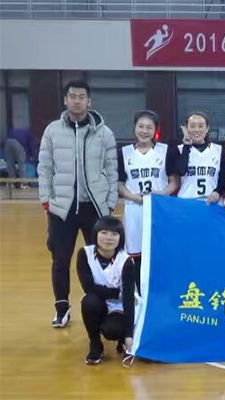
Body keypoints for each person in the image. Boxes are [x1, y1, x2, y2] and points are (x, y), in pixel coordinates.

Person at [38, 80, 118, 328]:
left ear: (89, 101)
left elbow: (112, 169)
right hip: (62, 208)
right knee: (60, 260)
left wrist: (110, 202)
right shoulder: (52, 131)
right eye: (72, 96)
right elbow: (45, 167)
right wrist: (46, 200)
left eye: (81, 96)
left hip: (94, 207)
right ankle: (62, 308)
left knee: (99, 259)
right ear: (65, 100)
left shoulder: (103, 133)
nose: (76, 100)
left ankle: (99, 305)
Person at [118, 110, 179, 290]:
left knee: (159, 254)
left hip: (158, 208)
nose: (144, 131)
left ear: (155, 130)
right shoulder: (124, 153)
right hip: (134, 209)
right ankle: (141, 295)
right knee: (137, 256)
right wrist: (134, 197)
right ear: (134, 128)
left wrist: (160, 194)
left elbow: (174, 182)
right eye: (141, 126)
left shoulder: (165, 151)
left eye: (149, 127)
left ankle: (160, 293)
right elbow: (119, 184)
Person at [76, 216, 136, 365]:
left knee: (112, 330)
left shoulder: (126, 261)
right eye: (104, 233)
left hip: (119, 306)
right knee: (88, 302)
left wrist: (129, 335)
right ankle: (95, 344)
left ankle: (121, 338)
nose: (109, 238)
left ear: (120, 238)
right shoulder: (84, 254)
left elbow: (128, 298)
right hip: (97, 301)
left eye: (114, 234)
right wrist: (116, 293)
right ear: (96, 233)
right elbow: (88, 287)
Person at [176, 111, 225, 204]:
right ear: (186, 128)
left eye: (200, 126)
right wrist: (186, 147)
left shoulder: (218, 150)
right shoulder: (179, 150)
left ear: (207, 128)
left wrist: (218, 191)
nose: (196, 130)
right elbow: (181, 171)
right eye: (192, 126)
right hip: (187, 202)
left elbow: (223, 177)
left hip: (211, 203)